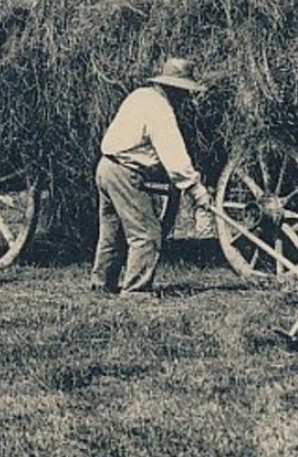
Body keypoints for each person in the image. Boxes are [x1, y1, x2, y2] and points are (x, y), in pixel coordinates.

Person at [92, 57, 215, 297]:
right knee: (146, 234)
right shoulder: (160, 110)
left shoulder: (139, 95)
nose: (185, 98)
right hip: (125, 173)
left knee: (112, 233)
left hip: (106, 167)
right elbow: (174, 157)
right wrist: (197, 190)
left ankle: (102, 285)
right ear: (173, 88)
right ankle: (136, 292)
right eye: (184, 92)